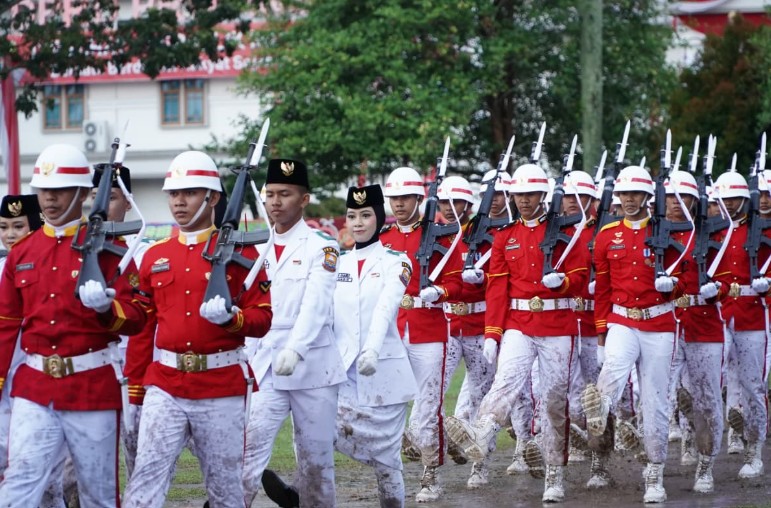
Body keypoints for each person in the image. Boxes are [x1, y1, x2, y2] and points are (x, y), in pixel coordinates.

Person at [122, 151, 272, 507]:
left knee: (224, 489)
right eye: (173, 193)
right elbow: (141, 324)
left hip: (221, 385)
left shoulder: (240, 254)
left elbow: (263, 319)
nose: (179, 201)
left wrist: (232, 319)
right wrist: (106, 311)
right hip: (166, 382)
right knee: (144, 480)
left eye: (189, 192)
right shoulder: (156, 255)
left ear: (213, 197)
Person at [0, 143, 147, 506]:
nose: (49, 199)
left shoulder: (112, 248)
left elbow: (139, 314)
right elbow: (5, 324)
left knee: (97, 492)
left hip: (90, 387)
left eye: (60, 190)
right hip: (34, 388)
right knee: (18, 483)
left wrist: (107, 310)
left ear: (83, 192)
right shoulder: (22, 252)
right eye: (44, 190)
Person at [446, 162, 590, 503]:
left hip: (557, 326)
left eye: (530, 194)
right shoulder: (505, 236)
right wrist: (493, 334)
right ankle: (480, 435)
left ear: (543, 195)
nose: (524, 201)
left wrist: (565, 282)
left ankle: (554, 471)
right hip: (518, 325)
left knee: (554, 399)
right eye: (518, 195)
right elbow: (497, 289)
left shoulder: (566, 233)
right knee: (505, 381)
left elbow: (582, 275)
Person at [581, 165, 690, 503]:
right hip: (621, 321)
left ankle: (654, 473)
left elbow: (688, 276)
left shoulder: (667, 231)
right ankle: (603, 421)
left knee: (655, 401)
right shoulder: (606, 235)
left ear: (647, 197)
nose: (629, 199)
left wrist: (673, 286)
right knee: (611, 372)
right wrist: (601, 334)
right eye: (624, 194)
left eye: (635, 194)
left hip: (658, 325)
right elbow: (603, 290)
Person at [243, 158, 346, 507]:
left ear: (304, 199)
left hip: (312, 364)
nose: (275, 201)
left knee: (316, 464)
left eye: (284, 194)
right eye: (270, 193)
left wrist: (297, 348)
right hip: (265, 362)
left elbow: (316, 305)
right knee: (247, 453)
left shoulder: (323, 247)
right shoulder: (254, 245)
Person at [380, 166, 463, 502]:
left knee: (428, 404)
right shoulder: (382, 238)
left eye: (405, 198)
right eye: (394, 198)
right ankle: (389, 473)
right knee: (387, 404)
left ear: (419, 198)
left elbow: (456, 282)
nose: (399, 205)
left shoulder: (441, 235)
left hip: (429, 327)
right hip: (393, 327)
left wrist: (439, 293)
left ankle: (430, 475)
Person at [333, 184, 417, 507]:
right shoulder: (336, 262)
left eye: (365, 215)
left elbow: (386, 306)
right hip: (344, 373)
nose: (357, 222)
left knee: (387, 464)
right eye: (352, 215)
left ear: (380, 218)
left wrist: (372, 348)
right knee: (315, 427)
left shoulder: (397, 261)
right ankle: (305, 492)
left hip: (384, 374)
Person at [663, 170, 727, 493]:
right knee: (658, 394)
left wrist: (718, 287)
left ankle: (706, 463)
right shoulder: (657, 234)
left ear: (694, 201)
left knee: (707, 399)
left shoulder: (711, 235)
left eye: (682, 197)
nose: (676, 204)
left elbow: (728, 275)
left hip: (704, 325)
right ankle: (654, 464)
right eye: (671, 197)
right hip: (667, 326)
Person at [438, 174, 501, 488]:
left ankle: (481, 464)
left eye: (457, 203)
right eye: (445, 203)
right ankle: (433, 455)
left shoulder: (485, 235)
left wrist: (484, 280)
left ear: (468, 204)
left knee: (479, 397)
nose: (450, 209)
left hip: (479, 326)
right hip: (446, 325)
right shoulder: (434, 236)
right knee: (433, 392)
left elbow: (502, 279)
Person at [713, 169, 768, 479]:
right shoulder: (712, 231)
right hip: (718, 313)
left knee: (752, 385)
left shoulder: (763, 230)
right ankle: (701, 442)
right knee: (708, 380)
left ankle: (754, 450)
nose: (730, 204)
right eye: (724, 199)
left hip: (752, 313)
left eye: (735, 199)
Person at [0, 194, 42, 478]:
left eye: (18, 226)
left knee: (34, 460)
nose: (10, 234)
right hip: (4, 373)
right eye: (3, 227)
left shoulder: (47, 267)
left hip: (37, 371)